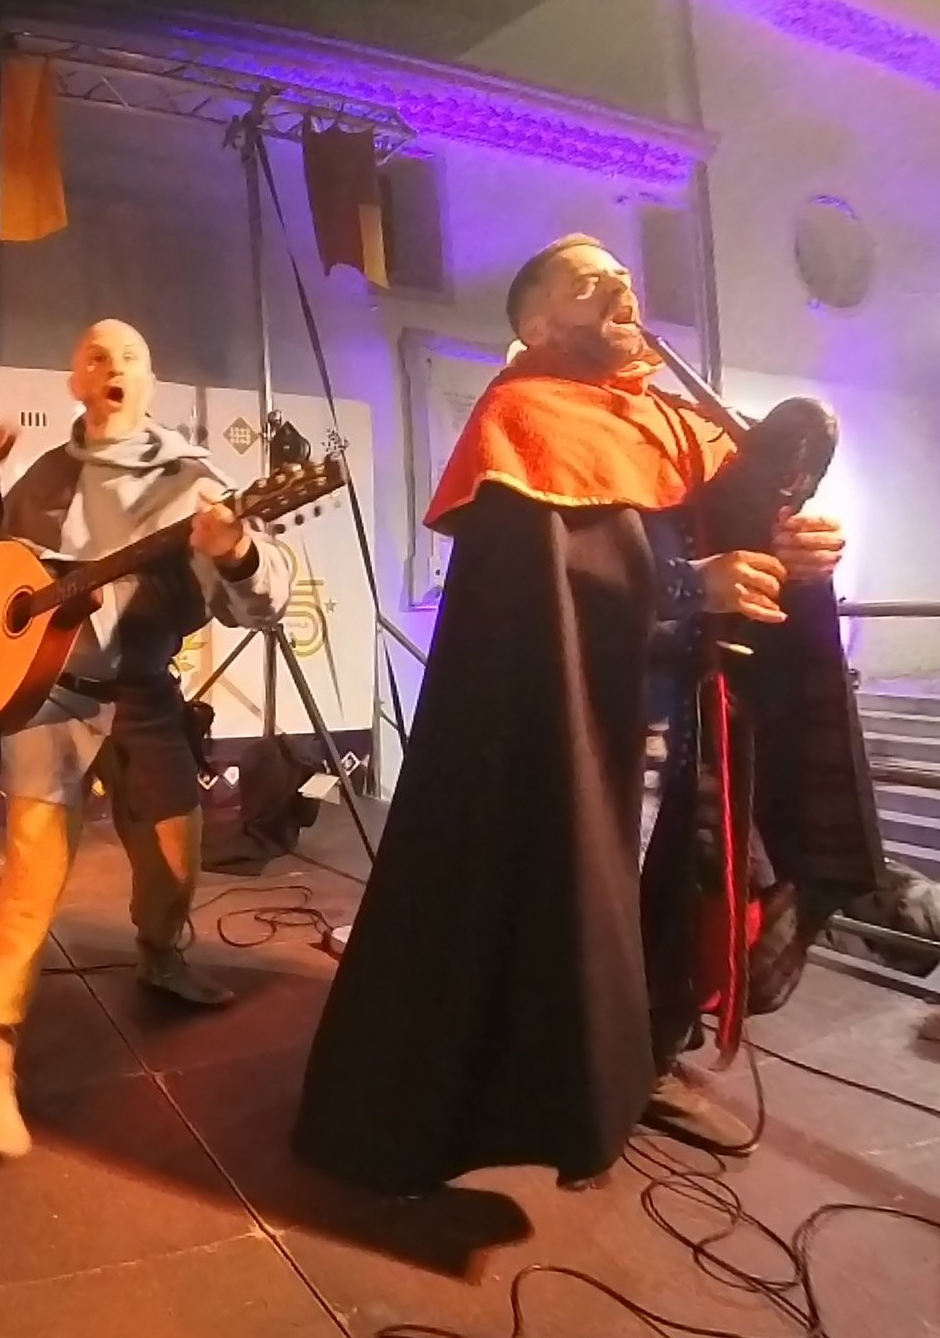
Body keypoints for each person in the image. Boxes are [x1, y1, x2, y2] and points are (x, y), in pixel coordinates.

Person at [292, 235, 886, 1193]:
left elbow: (740, 543)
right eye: (586, 280)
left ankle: (646, 1061)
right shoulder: (521, 417)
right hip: (575, 727)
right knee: (577, 913)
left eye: (623, 275)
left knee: (683, 900)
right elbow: (551, 586)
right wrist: (693, 586)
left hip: (693, 715)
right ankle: (555, 1093)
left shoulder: (679, 421)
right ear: (536, 325)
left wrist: (797, 552)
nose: (620, 286)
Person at [0, 318, 296, 1159]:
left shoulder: (198, 483)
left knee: (176, 859)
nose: (112, 366)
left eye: (130, 356)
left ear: (150, 381)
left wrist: (238, 549)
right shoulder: (44, 475)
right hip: (49, 700)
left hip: (144, 693)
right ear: (77, 382)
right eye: (95, 356)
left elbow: (261, 606)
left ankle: (159, 952)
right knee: (33, 872)